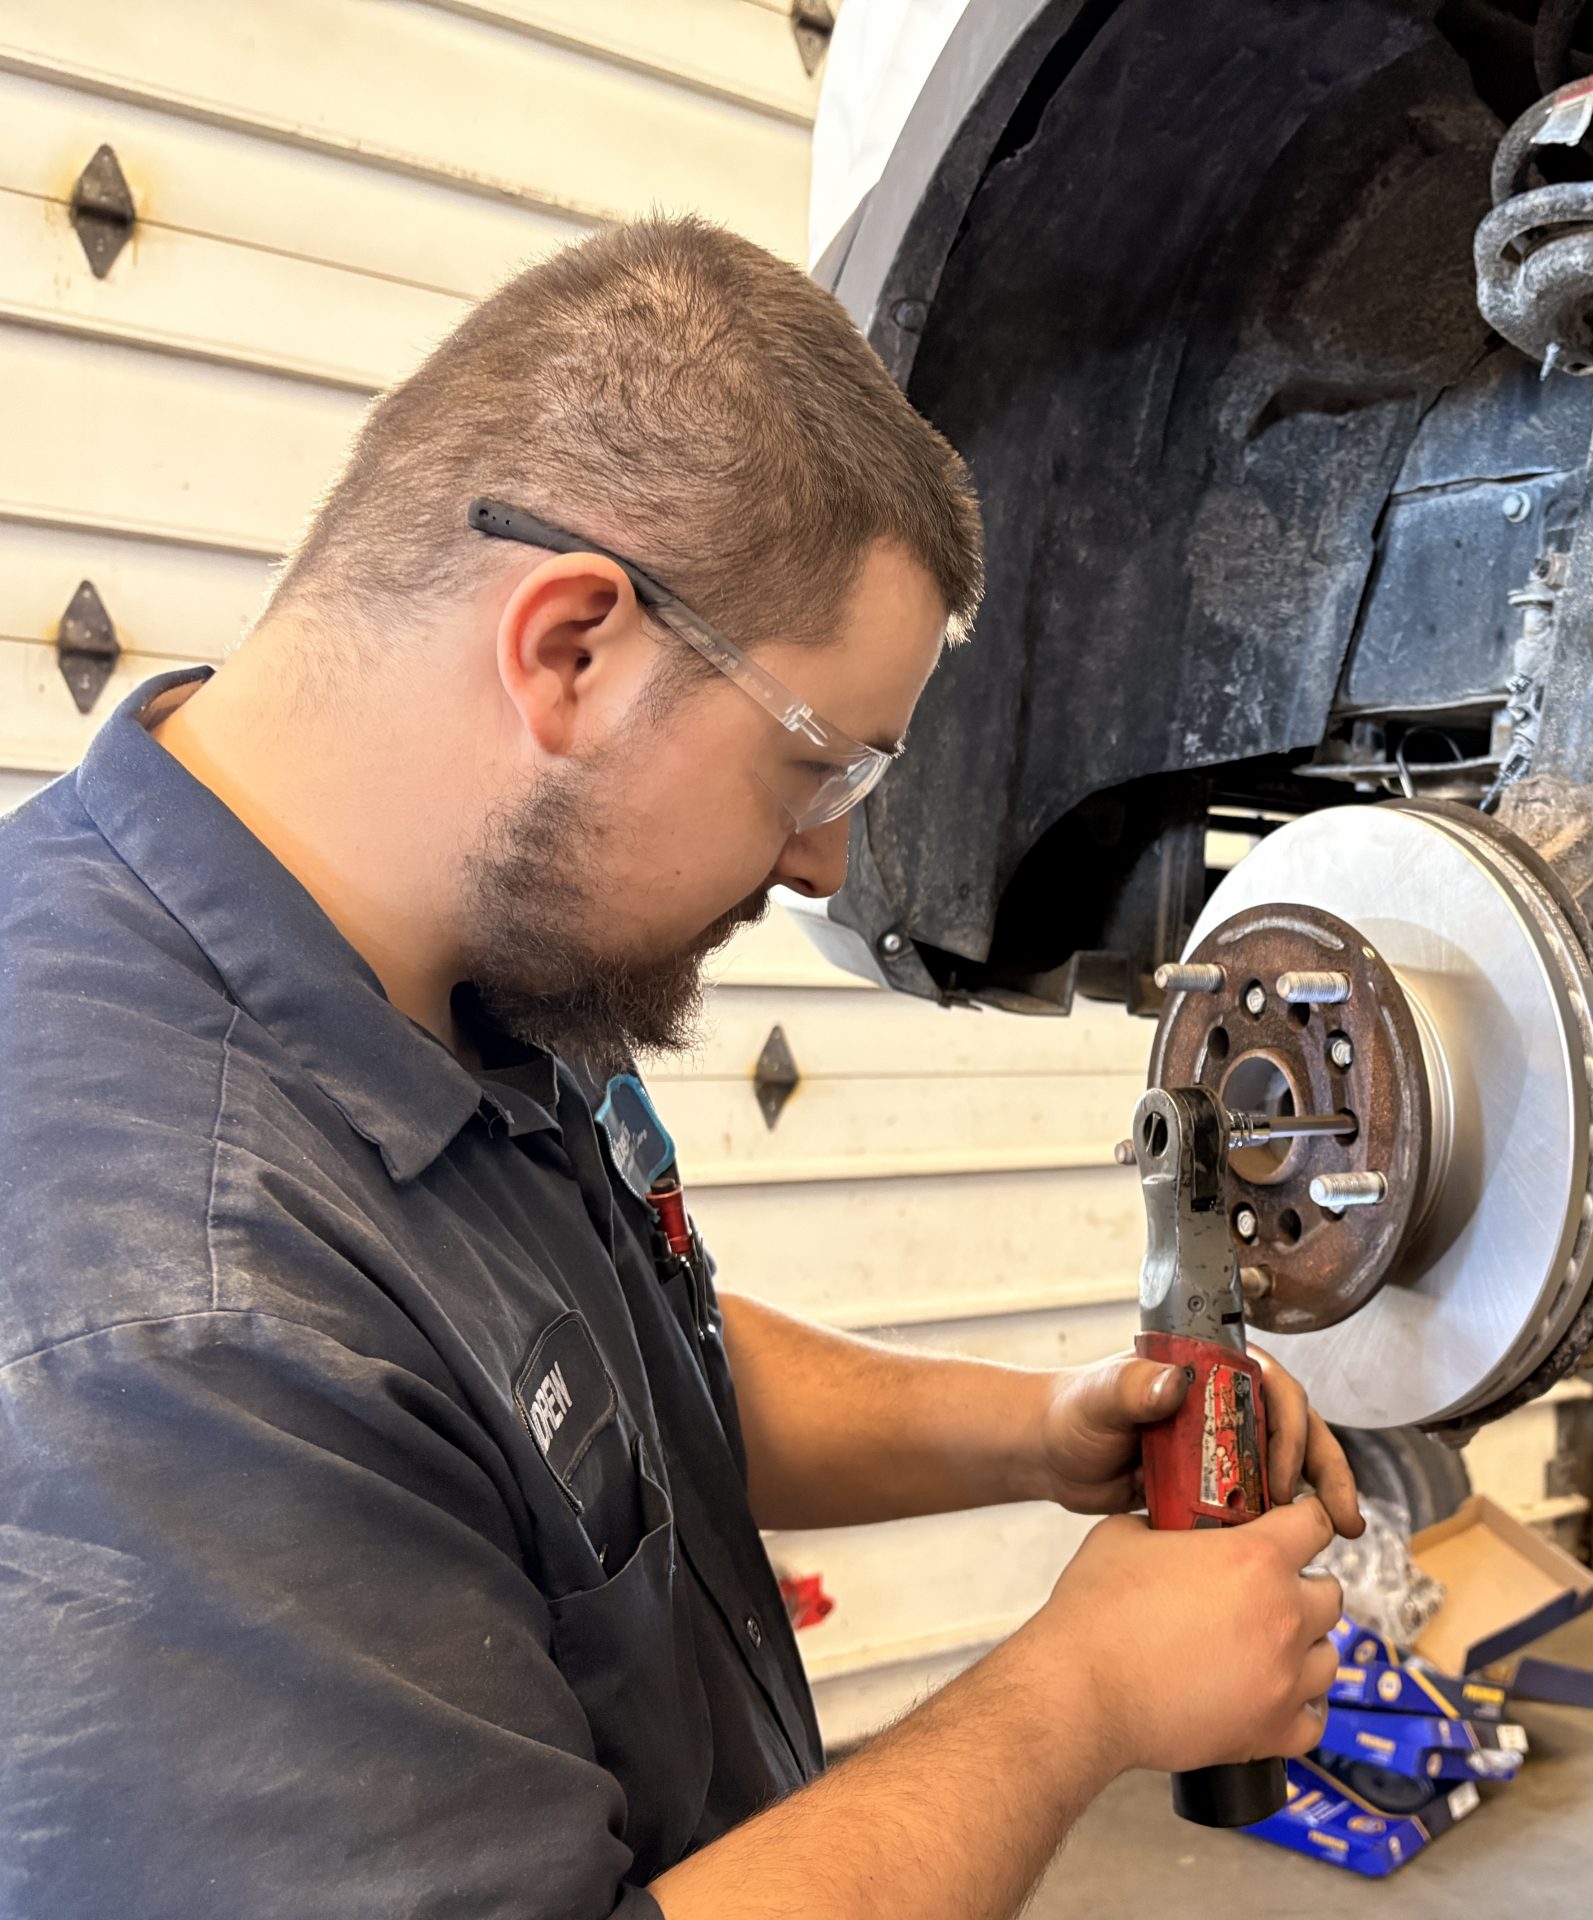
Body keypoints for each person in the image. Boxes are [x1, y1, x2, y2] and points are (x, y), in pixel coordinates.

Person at [0, 217, 1361, 1919]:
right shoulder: (167, 1314)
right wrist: (1075, 1694)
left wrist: (1036, 1433)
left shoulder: (448, 959)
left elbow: (602, 1384)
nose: (824, 874)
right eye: (817, 777)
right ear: (571, 647)